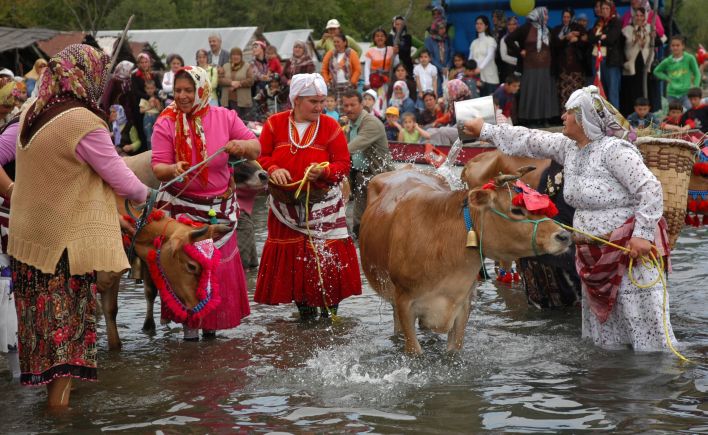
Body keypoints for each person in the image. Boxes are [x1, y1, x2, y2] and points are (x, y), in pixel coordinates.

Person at [464, 85, 677, 352]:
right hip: (591, 254)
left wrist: (642, 235)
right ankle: (610, 385)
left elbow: (651, 189)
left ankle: (653, 385)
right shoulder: (569, 147)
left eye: (569, 113)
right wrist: (484, 130)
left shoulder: (615, 151)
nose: (562, 117)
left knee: (645, 334)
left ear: (585, 117)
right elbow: (529, 139)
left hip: (628, 254)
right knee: (605, 340)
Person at [9, 44, 150, 407]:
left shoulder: (30, 110)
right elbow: (122, 180)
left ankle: (50, 411)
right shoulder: (83, 122)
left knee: (44, 341)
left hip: (26, 244)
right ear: (85, 77)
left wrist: (12, 190)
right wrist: (148, 193)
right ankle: (61, 419)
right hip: (61, 250)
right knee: (66, 347)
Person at [151, 66, 260, 340]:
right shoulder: (165, 123)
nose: (183, 96)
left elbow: (256, 147)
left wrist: (240, 146)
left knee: (218, 275)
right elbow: (157, 168)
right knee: (190, 272)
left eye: (189, 90)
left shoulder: (225, 116)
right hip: (183, 210)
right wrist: (173, 168)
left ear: (202, 90)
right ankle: (189, 334)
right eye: (178, 91)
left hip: (220, 209)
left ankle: (212, 333)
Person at [255, 74, 362, 319]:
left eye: (322, 101)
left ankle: (330, 317)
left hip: (323, 206)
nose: (319, 107)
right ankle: (305, 317)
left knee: (326, 263)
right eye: (313, 101)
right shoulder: (274, 124)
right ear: (296, 100)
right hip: (285, 209)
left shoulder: (330, 126)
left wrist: (324, 171)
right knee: (296, 264)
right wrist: (273, 169)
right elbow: (261, 157)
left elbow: (343, 165)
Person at [342, 90, 394, 237]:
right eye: (346, 105)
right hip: (362, 176)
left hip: (381, 179)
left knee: (379, 225)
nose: (349, 109)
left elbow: (349, 149)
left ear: (362, 104)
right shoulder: (351, 124)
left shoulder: (371, 123)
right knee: (359, 225)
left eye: (353, 105)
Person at [506, 6, 560, 126]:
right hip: (530, 68)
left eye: (547, 15)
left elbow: (557, 45)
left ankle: (545, 118)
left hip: (546, 67)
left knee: (545, 93)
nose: (547, 17)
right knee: (532, 93)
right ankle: (531, 120)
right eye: (545, 15)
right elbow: (509, 39)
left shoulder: (548, 30)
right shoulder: (526, 28)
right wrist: (520, 51)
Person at [620, 7, 663, 115]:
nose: (639, 18)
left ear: (645, 17)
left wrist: (654, 37)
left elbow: (659, 43)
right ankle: (631, 116)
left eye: (641, 15)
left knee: (646, 90)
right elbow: (620, 46)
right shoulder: (627, 29)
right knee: (631, 91)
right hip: (631, 65)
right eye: (637, 15)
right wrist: (624, 62)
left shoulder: (649, 28)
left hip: (645, 65)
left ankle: (647, 115)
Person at [588, 0, 624, 109]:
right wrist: (601, 37)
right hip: (597, 59)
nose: (604, 11)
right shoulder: (598, 22)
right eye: (602, 9)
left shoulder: (616, 22)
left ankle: (615, 118)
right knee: (599, 88)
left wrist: (599, 39)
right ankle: (602, 117)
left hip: (610, 60)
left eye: (607, 9)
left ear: (611, 9)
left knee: (612, 90)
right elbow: (590, 38)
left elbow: (611, 39)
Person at [552, 7, 590, 108]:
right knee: (564, 94)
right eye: (564, 17)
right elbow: (555, 45)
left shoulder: (578, 28)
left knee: (577, 93)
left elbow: (586, 42)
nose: (566, 19)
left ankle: (578, 116)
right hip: (562, 68)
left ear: (572, 17)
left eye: (568, 17)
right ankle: (565, 117)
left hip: (577, 67)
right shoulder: (557, 29)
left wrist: (576, 39)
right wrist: (566, 38)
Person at [653, 35, 701, 111]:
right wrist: (666, 78)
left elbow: (697, 73)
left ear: (683, 46)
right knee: (672, 114)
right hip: (672, 93)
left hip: (686, 93)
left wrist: (695, 87)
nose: (675, 47)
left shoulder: (689, 58)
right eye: (673, 45)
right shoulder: (668, 61)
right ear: (670, 47)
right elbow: (656, 71)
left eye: (678, 45)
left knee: (690, 111)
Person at [321, 33, 361, 113]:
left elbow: (358, 69)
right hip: (333, 87)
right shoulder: (330, 53)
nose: (336, 44)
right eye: (334, 42)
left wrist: (352, 82)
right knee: (334, 110)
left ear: (344, 42)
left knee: (347, 109)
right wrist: (327, 81)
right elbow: (324, 69)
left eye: (338, 42)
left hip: (348, 86)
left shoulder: (352, 53)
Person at [132, 52, 161, 150]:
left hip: (155, 104)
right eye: (142, 62)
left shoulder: (154, 75)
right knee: (144, 131)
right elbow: (136, 91)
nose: (144, 64)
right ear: (138, 64)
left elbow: (159, 89)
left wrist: (155, 98)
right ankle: (146, 151)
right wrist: (149, 98)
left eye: (146, 62)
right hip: (142, 105)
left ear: (149, 63)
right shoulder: (135, 76)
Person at [219, 47, 254, 120]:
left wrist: (239, 83)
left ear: (241, 56)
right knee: (228, 123)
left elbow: (251, 80)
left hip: (242, 101)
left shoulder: (247, 66)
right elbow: (219, 79)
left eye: (238, 55)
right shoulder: (225, 66)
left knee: (243, 123)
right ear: (230, 56)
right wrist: (231, 82)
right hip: (227, 101)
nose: (235, 57)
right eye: (233, 55)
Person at [468, 15, 500, 97]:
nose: (478, 25)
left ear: (486, 26)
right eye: (477, 23)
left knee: (491, 103)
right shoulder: (474, 42)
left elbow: (490, 56)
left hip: (490, 77)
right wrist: (470, 69)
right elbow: (470, 59)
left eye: (481, 24)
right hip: (477, 78)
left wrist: (480, 68)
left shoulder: (490, 40)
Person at [364, 28, 395, 96]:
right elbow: (367, 68)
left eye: (382, 36)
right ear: (374, 38)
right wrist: (367, 82)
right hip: (374, 82)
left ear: (385, 38)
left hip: (387, 82)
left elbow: (395, 64)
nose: (379, 38)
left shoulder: (391, 50)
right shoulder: (370, 51)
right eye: (377, 36)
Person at [424, 18, 452, 93]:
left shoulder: (447, 39)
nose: (443, 30)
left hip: (447, 69)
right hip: (435, 69)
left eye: (444, 28)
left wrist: (447, 67)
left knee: (448, 90)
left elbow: (451, 53)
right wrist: (441, 68)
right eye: (441, 28)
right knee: (438, 89)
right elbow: (430, 56)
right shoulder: (429, 40)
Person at [139, 80, 163, 149]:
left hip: (156, 118)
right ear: (145, 89)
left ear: (155, 88)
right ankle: (150, 151)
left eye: (152, 88)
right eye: (148, 88)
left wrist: (157, 102)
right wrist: (150, 106)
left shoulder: (158, 98)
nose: (150, 90)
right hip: (147, 119)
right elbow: (141, 111)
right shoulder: (143, 99)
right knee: (149, 137)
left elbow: (159, 110)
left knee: (158, 135)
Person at [499, 16, 520, 82]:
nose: (512, 26)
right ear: (507, 26)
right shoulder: (504, 39)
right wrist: (519, 61)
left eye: (514, 24)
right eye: (509, 24)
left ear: (518, 25)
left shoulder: (522, 37)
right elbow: (504, 57)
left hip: (521, 70)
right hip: (509, 71)